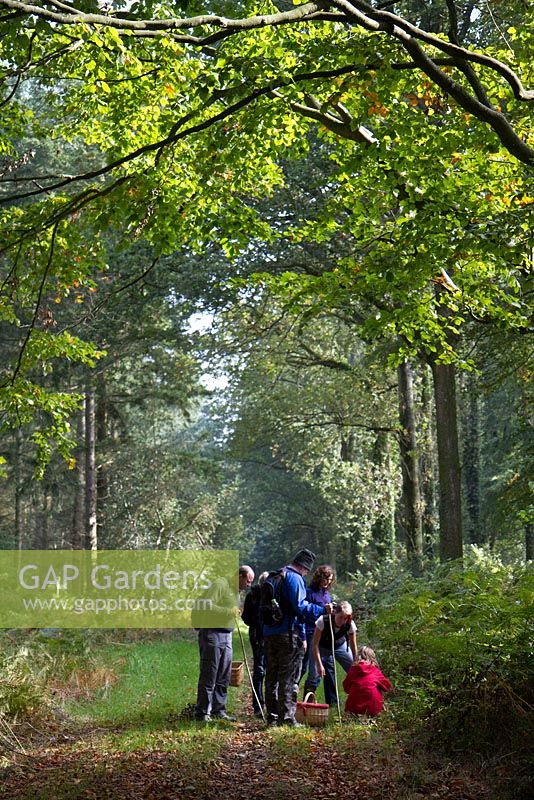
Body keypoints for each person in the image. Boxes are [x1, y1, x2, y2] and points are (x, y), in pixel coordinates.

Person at [263, 548, 332, 727]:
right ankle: (286, 718)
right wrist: (322, 610)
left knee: (271, 675)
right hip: (287, 633)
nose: (307, 573)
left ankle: (271, 717)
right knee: (289, 676)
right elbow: (300, 607)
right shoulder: (295, 578)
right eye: (307, 570)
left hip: (269, 632)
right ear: (304, 567)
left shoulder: (276, 575)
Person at [194, 564, 254, 722]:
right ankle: (202, 713)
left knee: (224, 674)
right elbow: (206, 604)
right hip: (212, 633)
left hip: (226, 635)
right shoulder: (221, 584)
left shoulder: (236, 591)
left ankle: (218, 710)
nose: (249, 585)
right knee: (210, 673)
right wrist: (228, 612)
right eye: (247, 581)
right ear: (240, 576)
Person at [312, 601, 358, 707]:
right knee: (322, 672)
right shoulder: (323, 621)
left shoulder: (350, 624)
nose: (343, 621)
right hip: (323, 647)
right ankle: (327, 702)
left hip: (340, 645)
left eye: (345, 618)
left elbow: (353, 645)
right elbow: (315, 645)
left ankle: (357, 696)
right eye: (340, 617)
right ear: (335, 613)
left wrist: (356, 660)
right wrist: (319, 664)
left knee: (354, 669)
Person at [300, 564, 336, 694]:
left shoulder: (327, 594)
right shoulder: (309, 592)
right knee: (306, 668)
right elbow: (304, 614)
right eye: (326, 579)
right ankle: (300, 698)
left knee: (323, 668)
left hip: (323, 634)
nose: (328, 582)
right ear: (319, 578)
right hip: (310, 633)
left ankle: (315, 700)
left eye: (330, 579)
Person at [241, 570, 269, 717]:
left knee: (269, 670)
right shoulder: (252, 595)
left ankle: (271, 705)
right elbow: (245, 617)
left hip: (271, 636)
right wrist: (256, 624)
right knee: (259, 670)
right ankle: (258, 706)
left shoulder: (273, 594)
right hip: (257, 635)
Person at [343, 645, 392, 717]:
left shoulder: (353, 669)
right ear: (372, 657)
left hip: (354, 708)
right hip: (372, 709)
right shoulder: (375, 671)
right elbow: (387, 687)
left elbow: (346, 688)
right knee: (377, 688)